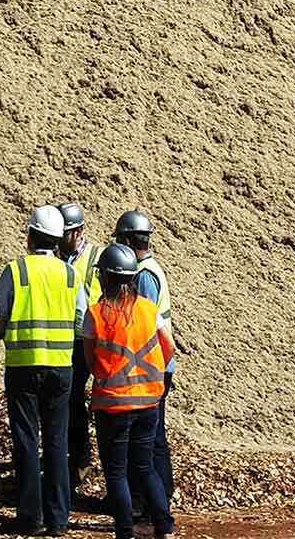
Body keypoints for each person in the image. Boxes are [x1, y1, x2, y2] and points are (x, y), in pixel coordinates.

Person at [0, 205, 79, 536]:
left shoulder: (15, 271)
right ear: (58, 240)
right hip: (60, 367)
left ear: (30, 236)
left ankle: (30, 517)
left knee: (27, 440)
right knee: (57, 442)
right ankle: (59, 518)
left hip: (23, 366)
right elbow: (80, 320)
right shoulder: (70, 274)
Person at [82, 244, 174, 539]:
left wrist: (110, 376)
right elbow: (168, 346)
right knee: (145, 466)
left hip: (113, 404)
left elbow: (90, 360)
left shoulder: (95, 314)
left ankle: (125, 531)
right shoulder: (149, 308)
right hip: (149, 401)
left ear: (105, 278)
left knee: (117, 472)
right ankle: (165, 525)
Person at [113, 209, 176, 520]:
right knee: (153, 438)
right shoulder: (149, 269)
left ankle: (155, 500)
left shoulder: (144, 276)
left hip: (151, 366)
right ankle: (157, 498)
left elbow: (145, 327)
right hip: (157, 364)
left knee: (151, 441)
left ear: (127, 240)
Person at [57, 202, 102, 484]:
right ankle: (77, 457)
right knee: (70, 399)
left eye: (67, 233)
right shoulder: (53, 256)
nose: (62, 238)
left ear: (80, 231)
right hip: (63, 339)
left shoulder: (96, 257)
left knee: (88, 399)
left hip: (91, 338)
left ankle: (83, 458)